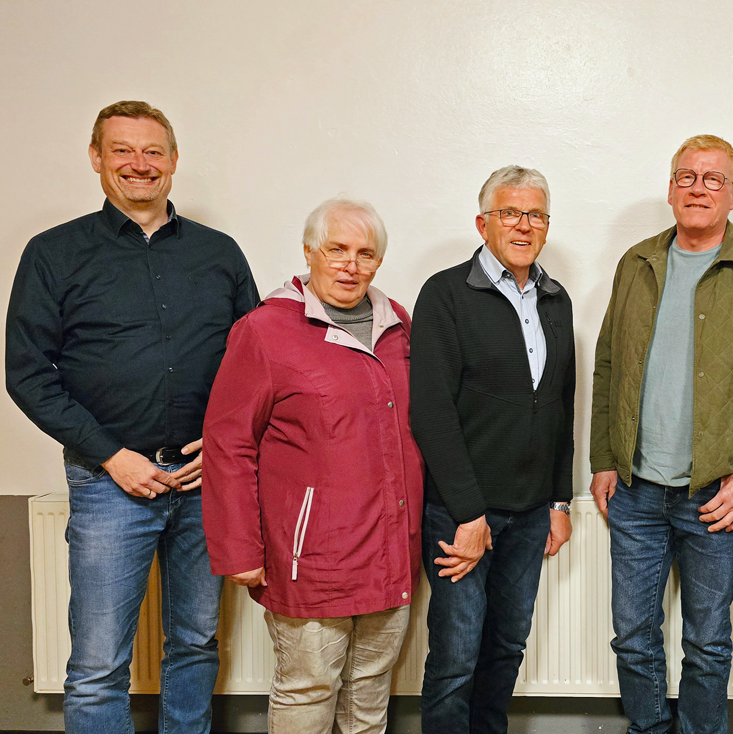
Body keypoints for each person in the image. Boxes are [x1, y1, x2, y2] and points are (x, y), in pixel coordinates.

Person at [5, 101, 258, 734]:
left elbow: (257, 365)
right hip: (108, 481)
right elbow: (27, 372)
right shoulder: (53, 253)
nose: (138, 165)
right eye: (122, 150)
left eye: (152, 152)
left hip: (205, 484)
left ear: (173, 162)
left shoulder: (219, 253)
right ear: (96, 159)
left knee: (196, 644)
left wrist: (225, 447)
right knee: (96, 666)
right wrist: (113, 456)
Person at [590, 134, 733, 734]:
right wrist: (605, 456)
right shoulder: (637, 262)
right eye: (687, 176)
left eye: (713, 179)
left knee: (707, 643)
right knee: (632, 635)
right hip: (634, 489)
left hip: (716, 491)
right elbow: (610, 365)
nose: (698, 188)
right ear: (670, 188)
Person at [202, 198, 422, 733]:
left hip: (391, 549)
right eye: (337, 249)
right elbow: (227, 441)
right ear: (308, 252)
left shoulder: (399, 324)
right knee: (307, 692)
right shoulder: (265, 331)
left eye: (365, 253)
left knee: (370, 696)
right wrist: (238, 548)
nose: (351, 264)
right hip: (312, 557)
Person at [410, 165, 575, 734]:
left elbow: (560, 404)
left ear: (546, 226)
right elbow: (430, 413)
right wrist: (469, 514)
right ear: (483, 222)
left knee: (506, 647)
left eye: (534, 214)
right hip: (460, 513)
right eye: (510, 212)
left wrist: (559, 501)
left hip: (530, 516)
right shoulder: (446, 293)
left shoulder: (556, 300)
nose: (523, 224)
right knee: (456, 658)